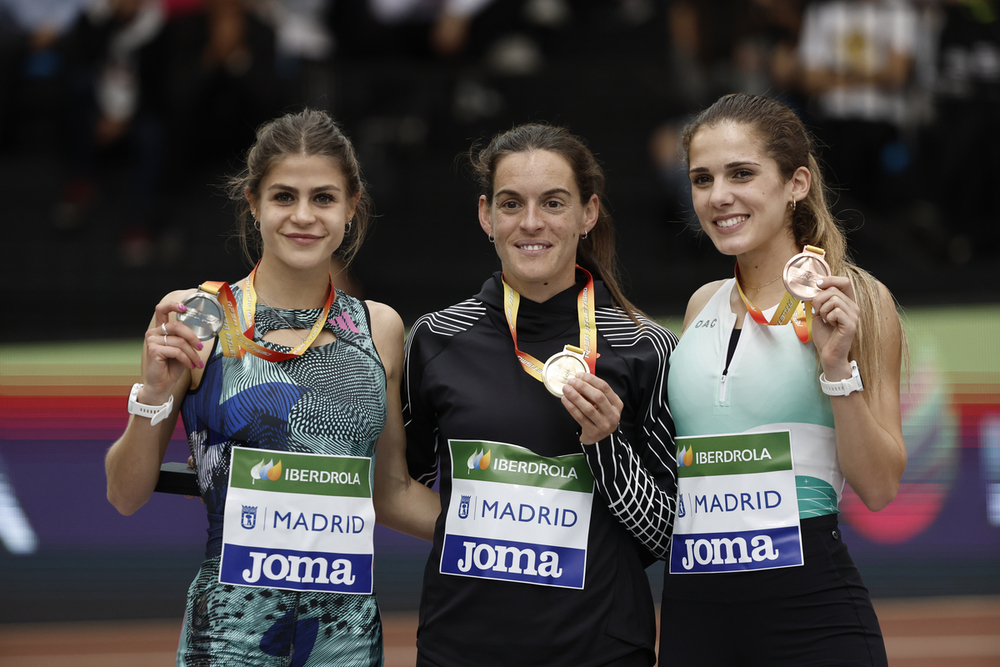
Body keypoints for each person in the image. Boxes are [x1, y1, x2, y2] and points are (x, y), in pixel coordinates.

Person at [104, 108, 437, 666]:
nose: (303, 216)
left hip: (347, 643)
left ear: (352, 208)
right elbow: (125, 494)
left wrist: (507, 534)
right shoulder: (202, 316)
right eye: (284, 197)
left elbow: (391, 491)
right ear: (252, 203)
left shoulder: (379, 327)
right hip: (229, 639)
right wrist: (154, 395)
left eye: (324, 198)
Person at [600, 93, 907, 665]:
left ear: (797, 184)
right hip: (694, 611)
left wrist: (837, 369)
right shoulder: (700, 306)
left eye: (741, 173)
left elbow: (880, 486)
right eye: (701, 179)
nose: (719, 196)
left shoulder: (855, 298)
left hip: (811, 612)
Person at [400, 122, 678, 666]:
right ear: (486, 215)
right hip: (462, 644)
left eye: (554, 202)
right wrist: (487, 526)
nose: (531, 223)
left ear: (588, 213)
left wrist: (606, 444)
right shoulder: (436, 339)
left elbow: (667, 530)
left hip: (600, 647)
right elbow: (401, 484)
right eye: (511, 204)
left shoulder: (644, 344)